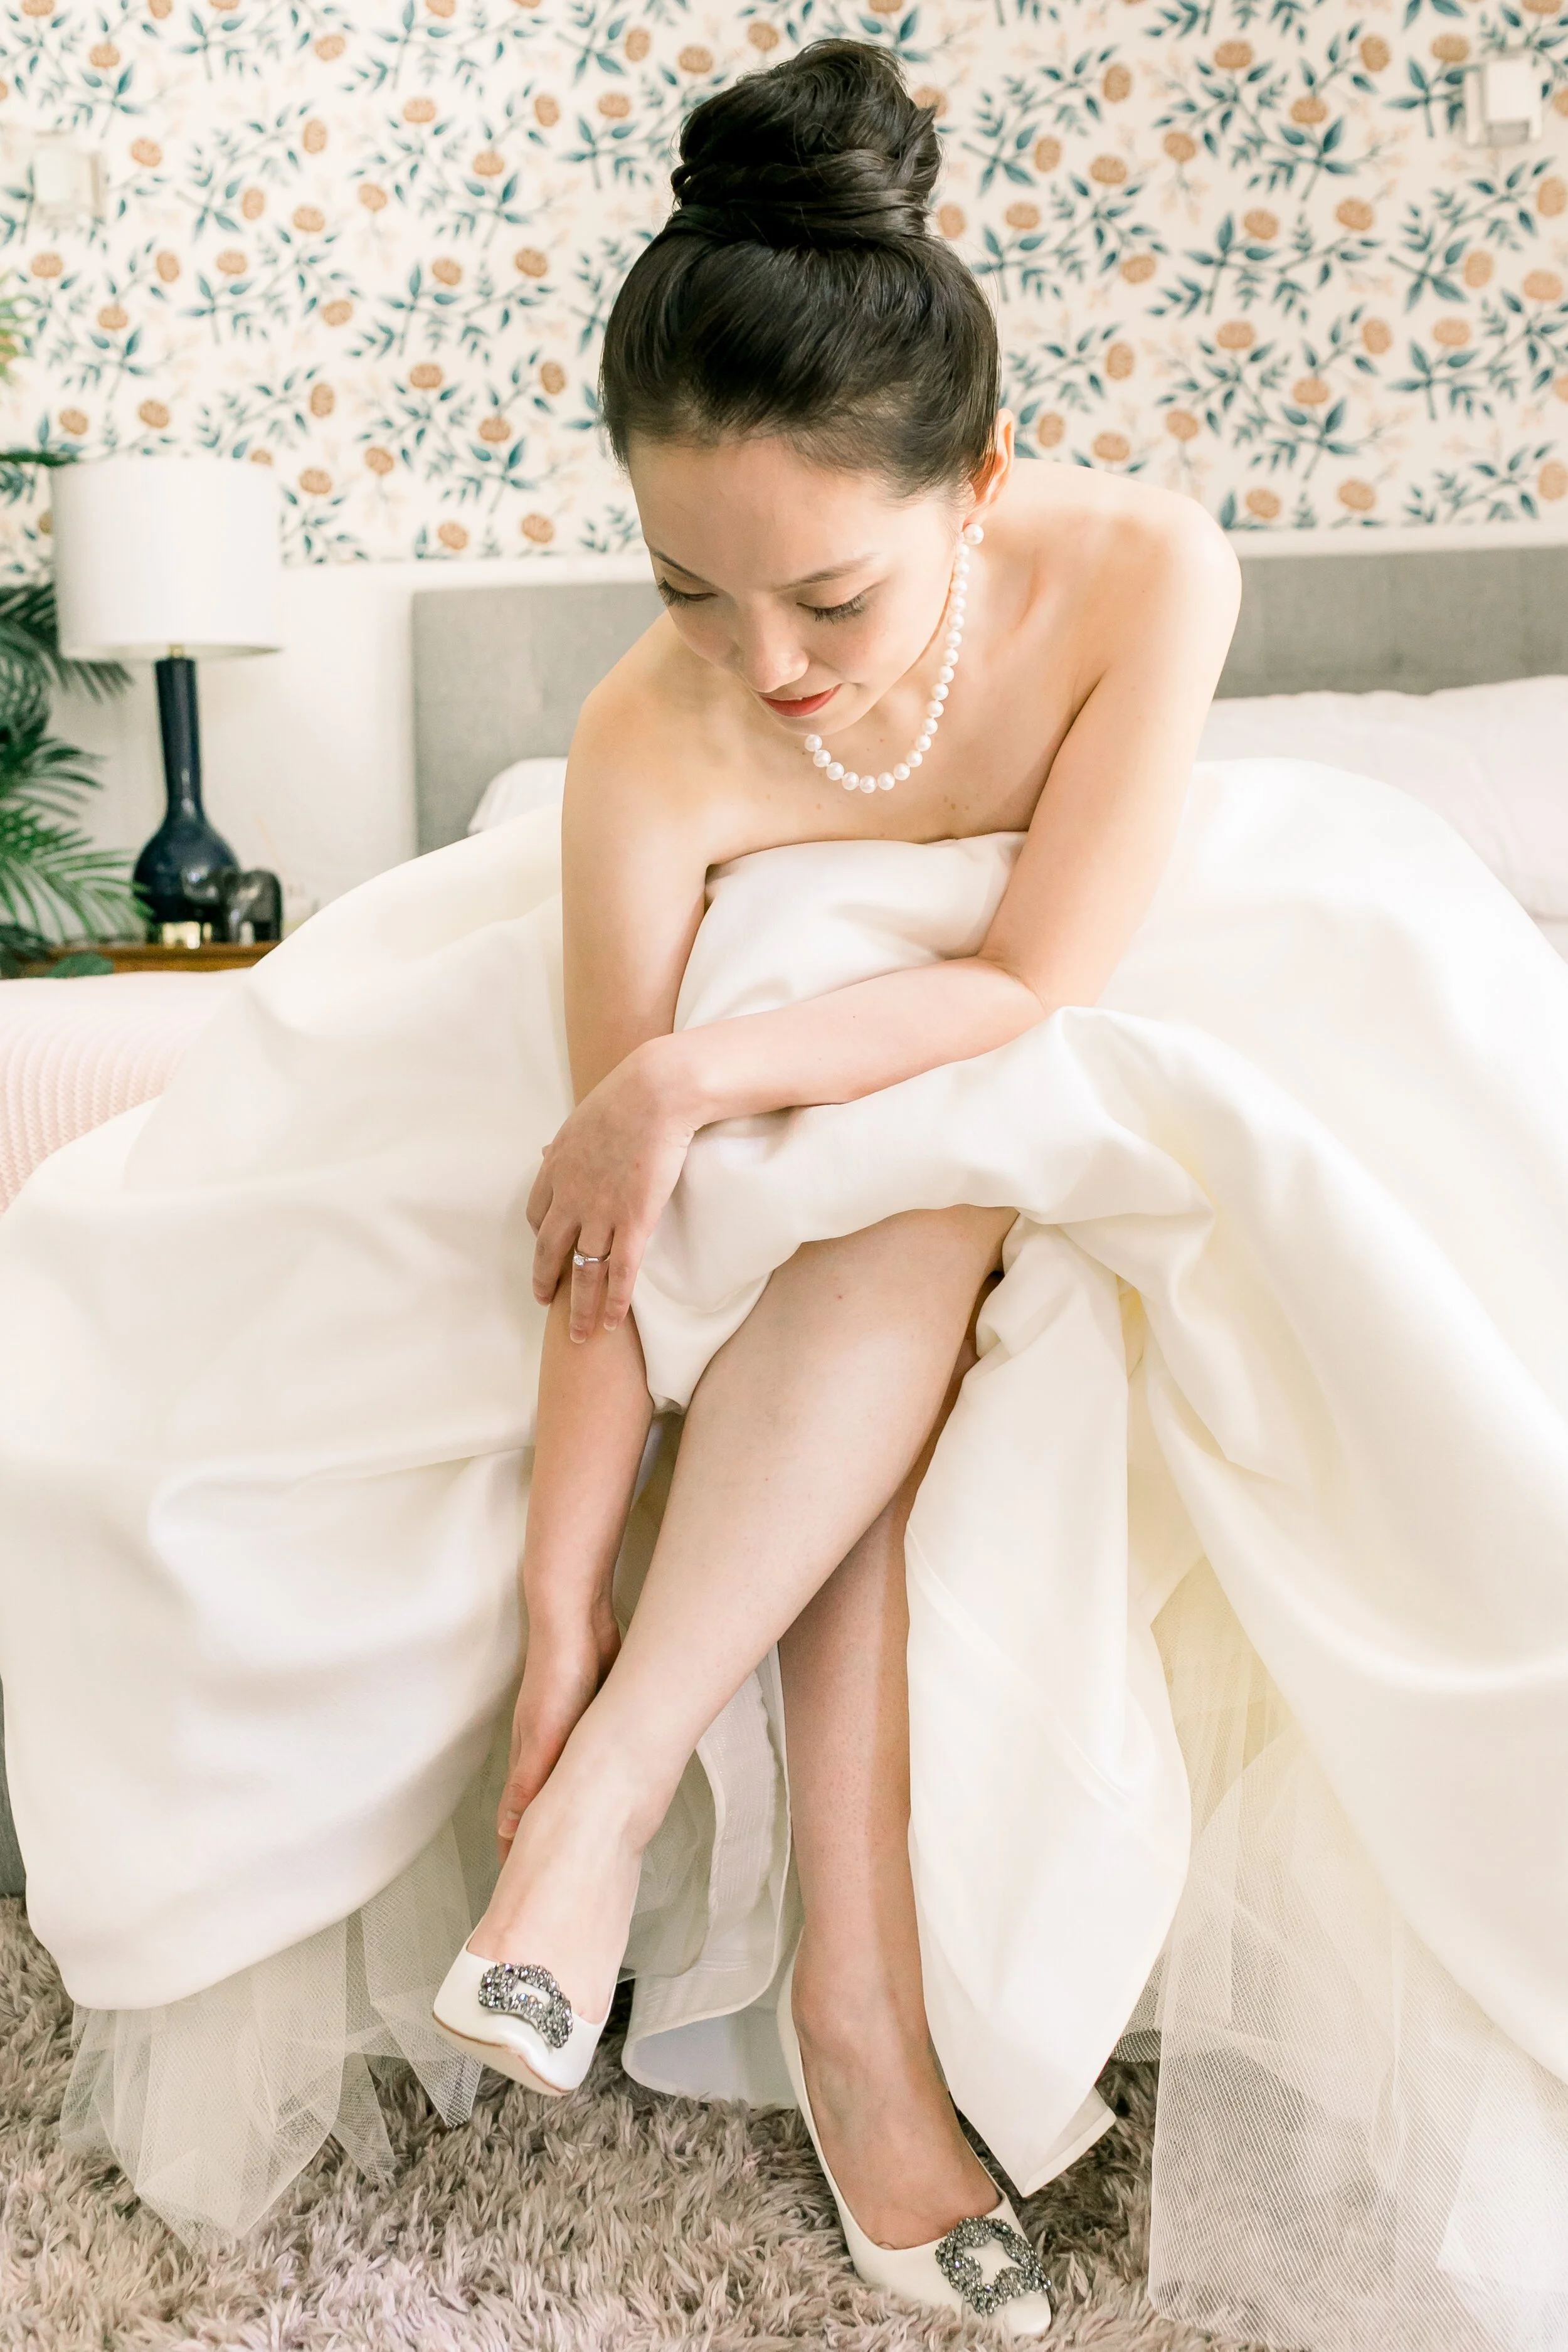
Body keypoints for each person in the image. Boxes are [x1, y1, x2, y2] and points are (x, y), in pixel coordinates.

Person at [3, 38, 1568, 2350]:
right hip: (801, 1176)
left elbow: (1037, 972)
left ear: (985, 482)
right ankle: (850, 2022)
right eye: (685, 588)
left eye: (830, 599)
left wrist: (683, 1079)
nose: (770, 671)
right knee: (888, 1200)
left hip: (1108, 992)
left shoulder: (1145, 570)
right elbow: (596, 1267)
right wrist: (555, 1609)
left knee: (983, 1131)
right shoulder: (651, 736)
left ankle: (650, 1833)